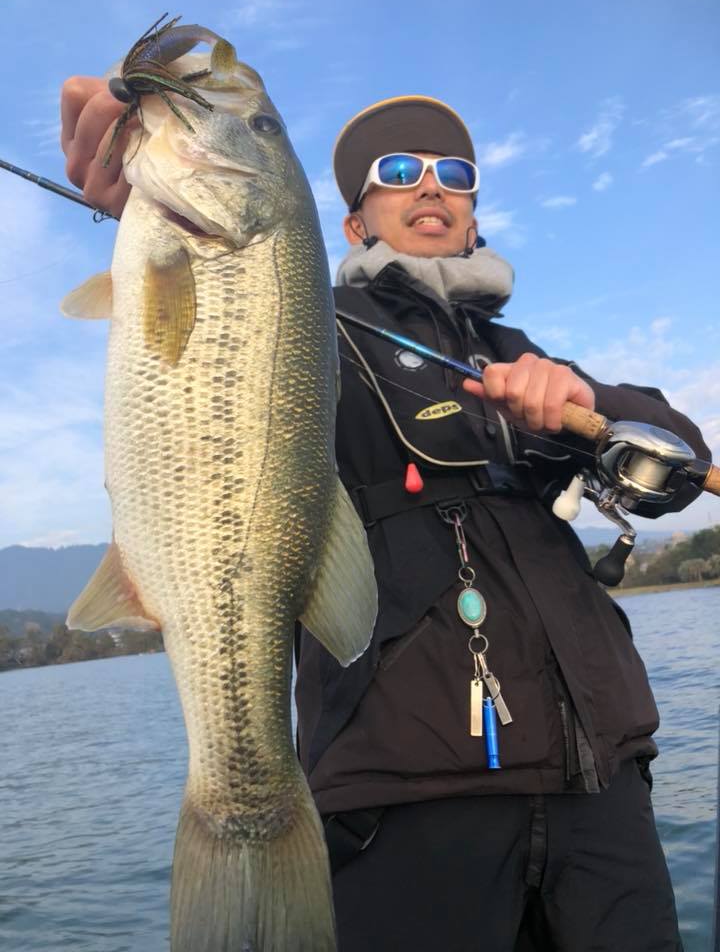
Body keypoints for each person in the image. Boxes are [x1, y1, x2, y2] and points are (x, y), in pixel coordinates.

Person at [61, 80, 710, 951]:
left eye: (455, 174)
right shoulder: (306, 323)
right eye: (399, 171)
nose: (432, 185)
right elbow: (214, 374)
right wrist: (149, 205)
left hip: (604, 790)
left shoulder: (525, 357)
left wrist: (587, 403)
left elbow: (681, 454)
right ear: (353, 223)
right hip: (399, 798)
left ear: (474, 217)